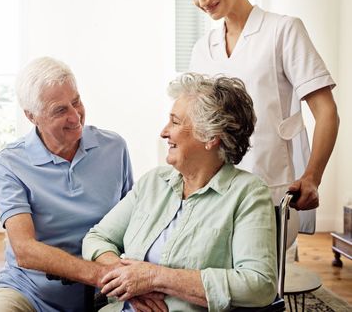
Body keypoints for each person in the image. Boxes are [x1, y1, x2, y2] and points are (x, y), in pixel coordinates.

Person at [83, 73, 277, 311]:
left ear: (210, 137)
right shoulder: (154, 182)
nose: (164, 132)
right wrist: (130, 281)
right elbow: (97, 238)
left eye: (175, 122)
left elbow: (259, 285)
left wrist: (156, 277)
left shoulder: (248, 194)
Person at [183, 0, 339, 232]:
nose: (202, 0)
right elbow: (196, 122)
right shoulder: (203, 48)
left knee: (263, 272)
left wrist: (312, 177)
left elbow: (327, 112)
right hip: (214, 188)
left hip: (270, 183)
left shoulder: (283, 30)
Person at [0, 57, 136, 312]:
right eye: (60, 110)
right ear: (32, 117)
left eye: (76, 101)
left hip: (105, 292)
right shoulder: (10, 163)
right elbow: (25, 250)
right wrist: (99, 274)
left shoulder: (114, 148)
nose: (75, 116)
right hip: (31, 291)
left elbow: (133, 225)